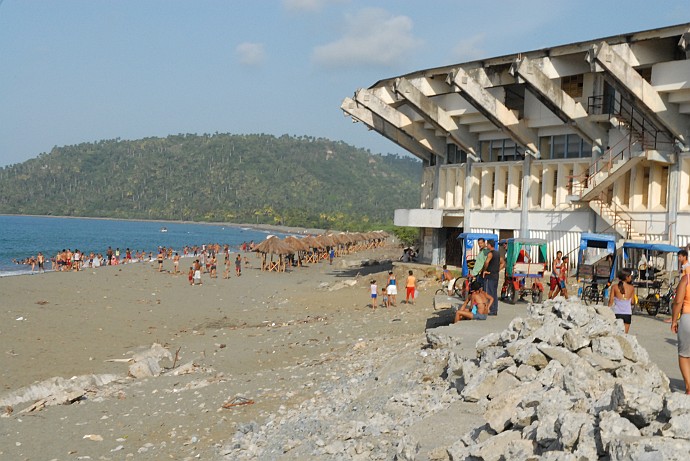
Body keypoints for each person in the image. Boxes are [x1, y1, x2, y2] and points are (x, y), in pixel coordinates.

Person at [671, 271, 690, 394]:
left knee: (684, 354)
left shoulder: (686, 279)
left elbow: (678, 301)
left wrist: (674, 320)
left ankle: (689, 386)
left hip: (687, 318)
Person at [609, 268, 634, 334]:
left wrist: (607, 311)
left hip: (617, 312)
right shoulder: (631, 288)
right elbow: (632, 302)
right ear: (626, 277)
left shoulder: (614, 287)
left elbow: (611, 301)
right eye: (630, 276)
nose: (631, 277)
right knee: (625, 335)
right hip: (627, 313)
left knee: (616, 334)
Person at [481, 239, 502, 315]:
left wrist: (484, 270)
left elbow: (486, 262)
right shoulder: (498, 253)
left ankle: (490, 309)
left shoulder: (490, 254)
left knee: (488, 293)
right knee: (494, 292)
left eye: (487, 244)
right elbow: (501, 263)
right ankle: (494, 309)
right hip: (495, 275)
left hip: (489, 276)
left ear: (490, 245)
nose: (487, 245)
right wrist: (497, 269)